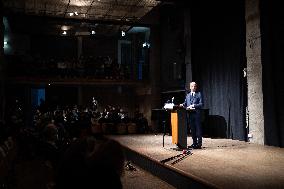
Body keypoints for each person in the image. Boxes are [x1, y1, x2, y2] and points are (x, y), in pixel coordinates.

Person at [180, 82, 203, 149]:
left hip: (196, 114)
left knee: (198, 129)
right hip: (190, 114)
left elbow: (201, 104)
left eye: (195, 86)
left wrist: (193, 105)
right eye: (192, 86)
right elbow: (185, 103)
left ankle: (199, 144)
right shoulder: (187, 95)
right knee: (192, 130)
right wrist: (182, 104)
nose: (194, 87)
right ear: (190, 87)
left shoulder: (199, 94)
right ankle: (194, 143)